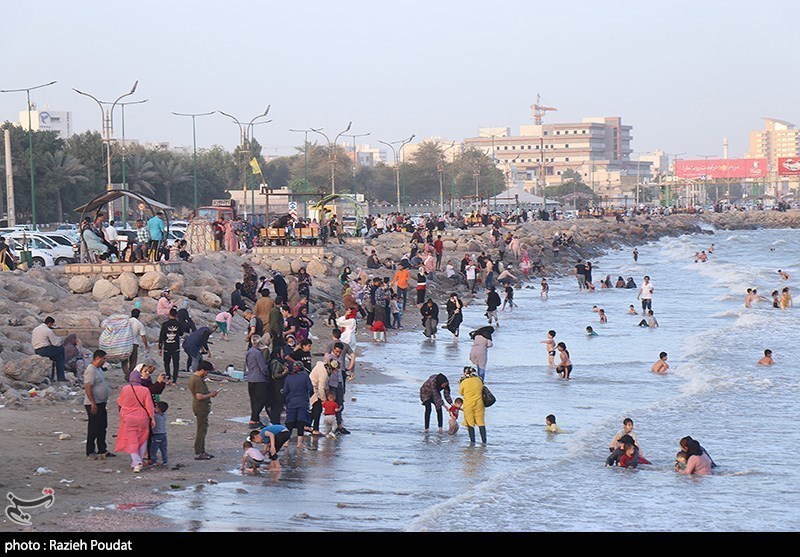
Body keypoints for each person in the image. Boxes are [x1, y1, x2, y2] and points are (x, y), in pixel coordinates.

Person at [116, 369, 156, 473]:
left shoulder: (125, 389)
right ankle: (139, 460)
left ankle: (136, 462)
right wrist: (152, 418)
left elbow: (120, 402)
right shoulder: (145, 390)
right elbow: (149, 406)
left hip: (128, 417)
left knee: (132, 439)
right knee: (143, 439)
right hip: (143, 417)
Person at [84, 350, 113, 460]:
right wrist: (93, 403)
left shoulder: (98, 369)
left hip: (101, 403)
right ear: (98, 358)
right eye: (104, 358)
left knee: (102, 426)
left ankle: (102, 449)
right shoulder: (91, 370)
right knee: (94, 427)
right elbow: (88, 387)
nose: (105, 361)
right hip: (94, 403)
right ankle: (90, 451)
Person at [189, 361, 219, 460]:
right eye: (206, 372)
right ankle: (199, 452)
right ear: (202, 370)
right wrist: (211, 395)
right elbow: (199, 396)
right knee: (201, 431)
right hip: (200, 407)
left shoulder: (195, 378)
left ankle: (202, 451)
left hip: (201, 407)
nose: (207, 374)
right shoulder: (197, 380)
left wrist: (209, 393)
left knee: (203, 429)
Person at [282, 361, 314, 448]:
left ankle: (286, 442)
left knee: (289, 422)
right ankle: (299, 443)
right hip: (302, 402)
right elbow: (311, 389)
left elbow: (285, 391)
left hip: (291, 402)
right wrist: (309, 396)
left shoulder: (289, 378)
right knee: (301, 421)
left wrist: (286, 400)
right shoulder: (305, 377)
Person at [245, 335, 270, 428]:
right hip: (259, 379)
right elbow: (262, 367)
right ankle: (254, 418)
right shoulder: (257, 353)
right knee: (261, 399)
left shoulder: (249, 352)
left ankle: (255, 418)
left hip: (251, 378)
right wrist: (267, 373)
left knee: (254, 399)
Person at [32, 316, 66, 382]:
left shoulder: (36, 328)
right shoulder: (48, 331)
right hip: (44, 350)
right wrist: (60, 339)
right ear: (50, 323)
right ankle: (61, 377)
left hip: (36, 350)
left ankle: (54, 376)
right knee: (61, 349)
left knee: (58, 357)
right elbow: (56, 343)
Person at [459, 367, 487, 444]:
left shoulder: (464, 382)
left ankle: (472, 442)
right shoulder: (479, 380)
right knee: (481, 423)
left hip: (468, 404)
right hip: (479, 404)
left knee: (470, 423)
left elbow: (460, 392)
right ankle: (484, 441)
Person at [122, 309, 149, 381]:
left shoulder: (126, 322)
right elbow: (143, 336)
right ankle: (130, 376)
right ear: (138, 315)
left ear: (131, 314)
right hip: (134, 344)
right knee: (133, 362)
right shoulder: (139, 324)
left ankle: (127, 375)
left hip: (125, 343)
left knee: (124, 361)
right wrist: (146, 346)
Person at [309, 359, 334, 435]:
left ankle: (307, 425)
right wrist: (324, 399)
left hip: (312, 387)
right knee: (318, 409)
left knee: (314, 409)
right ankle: (315, 429)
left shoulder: (323, 367)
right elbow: (321, 387)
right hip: (314, 389)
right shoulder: (324, 373)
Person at [158, 308, 183, 384]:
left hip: (167, 347)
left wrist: (160, 347)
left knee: (166, 362)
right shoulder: (178, 324)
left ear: (169, 314)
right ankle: (174, 380)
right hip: (175, 347)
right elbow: (181, 333)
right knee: (176, 363)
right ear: (176, 315)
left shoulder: (165, 324)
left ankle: (168, 377)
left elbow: (161, 336)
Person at [150, 401, 169, 466]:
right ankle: (165, 461)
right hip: (164, 434)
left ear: (158, 409)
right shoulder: (164, 416)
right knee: (164, 449)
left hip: (157, 435)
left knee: (153, 450)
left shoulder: (155, 416)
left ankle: (154, 462)